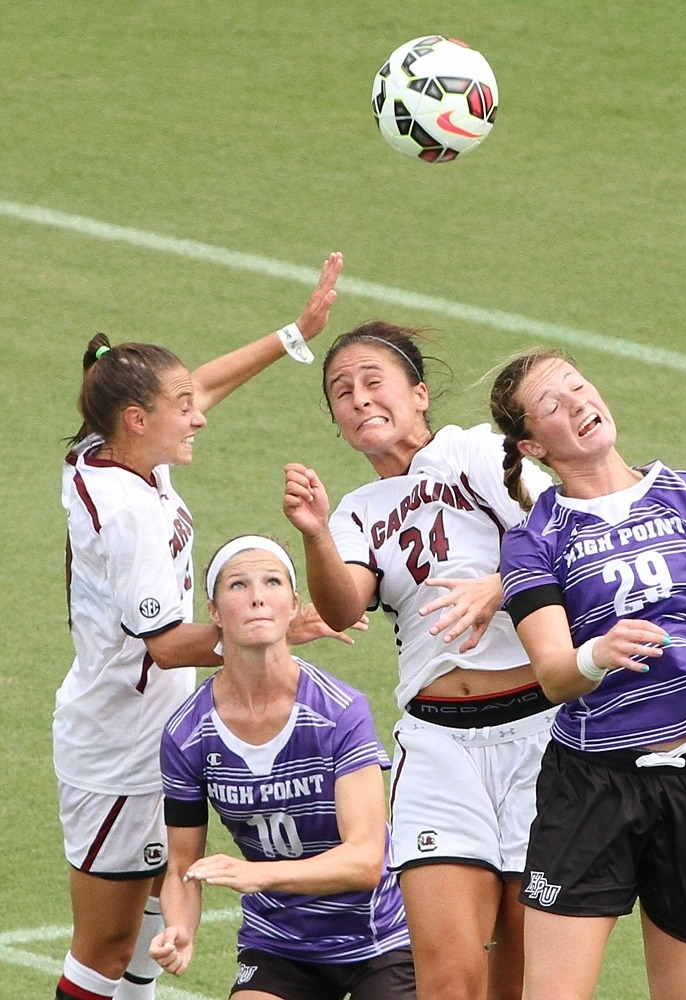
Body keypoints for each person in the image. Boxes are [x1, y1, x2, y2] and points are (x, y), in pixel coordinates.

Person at [54, 253, 346, 1000]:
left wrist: (294, 333)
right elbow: (166, 643)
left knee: (162, 908)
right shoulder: (126, 516)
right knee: (106, 942)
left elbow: (203, 383)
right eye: (182, 406)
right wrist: (271, 628)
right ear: (138, 419)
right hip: (118, 743)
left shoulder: (122, 453)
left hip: (159, 724)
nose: (201, 415)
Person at [281, 320, 557, 1000]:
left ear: (420, 394)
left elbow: (566, 533)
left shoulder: (477, 451)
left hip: (536, 735)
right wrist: (316, 536)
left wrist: (499, 587)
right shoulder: (355, 510)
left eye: (373, 381)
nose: (358, 399)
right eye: (341, 392)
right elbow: (346, 606)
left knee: (519, 970)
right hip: (436, 745)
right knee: (449, 977)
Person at [488, 349, 686, 1000]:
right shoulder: (533, 540)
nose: (578, 403)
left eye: (578, 386)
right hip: (592, 786)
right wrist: (598, 653)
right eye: (553, 404)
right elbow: (556, 676)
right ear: (532, 443)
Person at [150, 535, 415, 1000]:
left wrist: (261, 876)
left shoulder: (338, 711)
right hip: (278, 944)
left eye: (272, 582)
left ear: (293, 605)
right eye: (238, 585)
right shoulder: (186, 733)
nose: (256, 596)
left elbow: (365, 860)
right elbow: (181, 867)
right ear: (213, 611)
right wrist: (180, 928)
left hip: (381, 938)